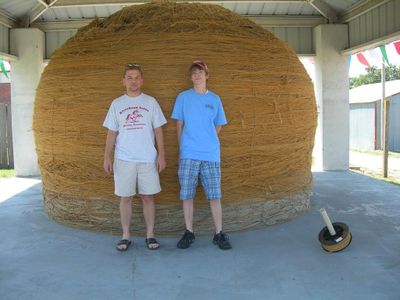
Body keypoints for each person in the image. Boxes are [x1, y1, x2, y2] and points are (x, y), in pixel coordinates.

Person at [103, 63, 167, 251]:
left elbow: (158, 130)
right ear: (123, 81)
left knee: (148, 197)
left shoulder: (150, 102)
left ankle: (150, 234)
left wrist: (161, 154)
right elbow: (111, 133)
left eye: (137, 77)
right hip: (124, 159)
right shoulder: (117, 104)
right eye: (129, 78)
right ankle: (125, 235)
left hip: (147, 158)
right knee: (126, 198)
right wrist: (107, 156)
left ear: (142, 80)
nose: (133, 81)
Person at [171, 60, 232, 250]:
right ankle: (189, 232)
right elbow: (178, 123)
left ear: (207, 75)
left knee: (215, 195)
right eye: (193, 73)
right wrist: (184, 145)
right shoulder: (183, 97)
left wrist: (208, 139)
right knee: (187, 194)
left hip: (211, 154)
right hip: (189, 153)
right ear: (191, 77)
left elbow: (219, 124)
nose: (196, 75)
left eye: (200, 72)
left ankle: (219, 233)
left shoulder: (215, 99)